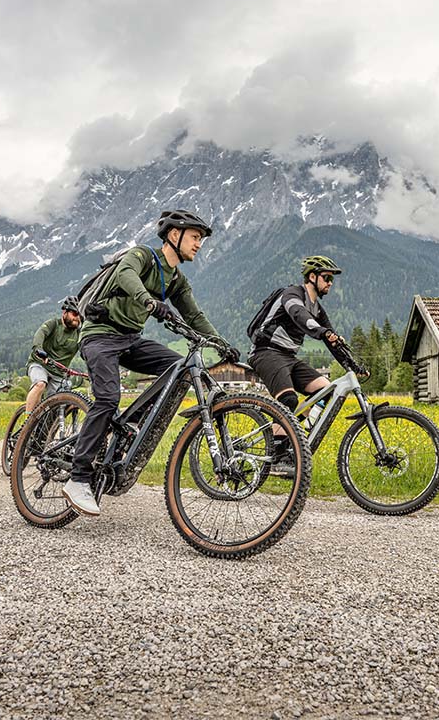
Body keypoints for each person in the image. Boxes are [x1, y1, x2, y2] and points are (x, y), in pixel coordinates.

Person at [62, 209, 238, 516]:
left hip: (130, 339)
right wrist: (148, 301)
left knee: (178, 369)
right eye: (195, 237)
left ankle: (131, 424)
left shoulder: (177, 279)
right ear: (174, 235)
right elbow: (125, 275)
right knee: (107, 397)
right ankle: (78, 479)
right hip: (100, 335)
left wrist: (221, 344)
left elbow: (194, 316)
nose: (199, 244)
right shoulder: (143, 255)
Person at [246, 255, 360, 478]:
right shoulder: (292, 294)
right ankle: (278, 457)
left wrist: (353, 366)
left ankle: (296, 436)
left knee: (327, 389)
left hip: (288, 357)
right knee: (288, 400)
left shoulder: (317, 308)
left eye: (332, 280)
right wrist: (321, 331)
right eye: (326, 277)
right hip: (266, 352)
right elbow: (299, 315)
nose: (330, 283)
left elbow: (331, 339)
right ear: (312, 276)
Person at [25, 297, 82, 413]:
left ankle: (46, 429)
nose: (77, 317)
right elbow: (40, 334)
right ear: (64, 312)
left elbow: (87, 350)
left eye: (80, 315)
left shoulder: (79, 334)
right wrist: (38, 349)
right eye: (74, 313)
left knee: (56, 405)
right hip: (40, 364)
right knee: (40, 384)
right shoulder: (53, 324)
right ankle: (27, 425)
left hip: (59, 373)